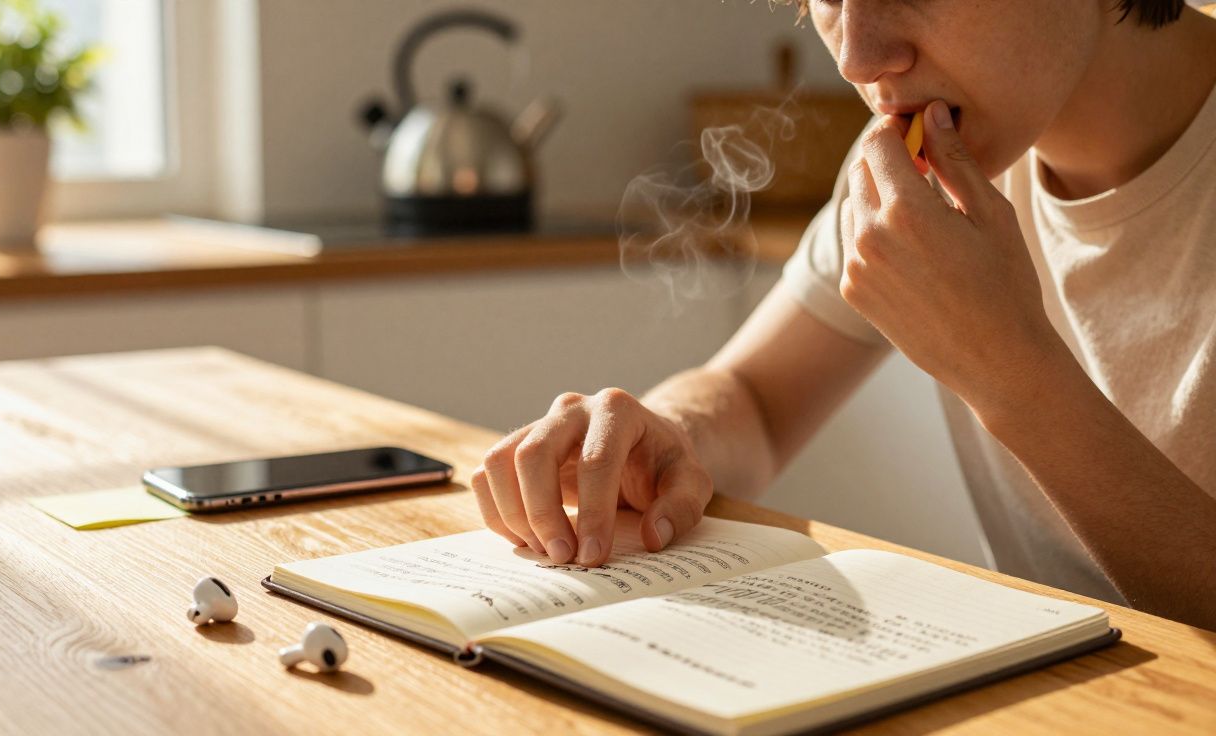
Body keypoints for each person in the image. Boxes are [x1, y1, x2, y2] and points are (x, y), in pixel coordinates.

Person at [470, 0, 1216, 630]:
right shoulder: (922, 159)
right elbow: (756, 401)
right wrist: (664, 435)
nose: (858, 57)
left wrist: (1012, 373)